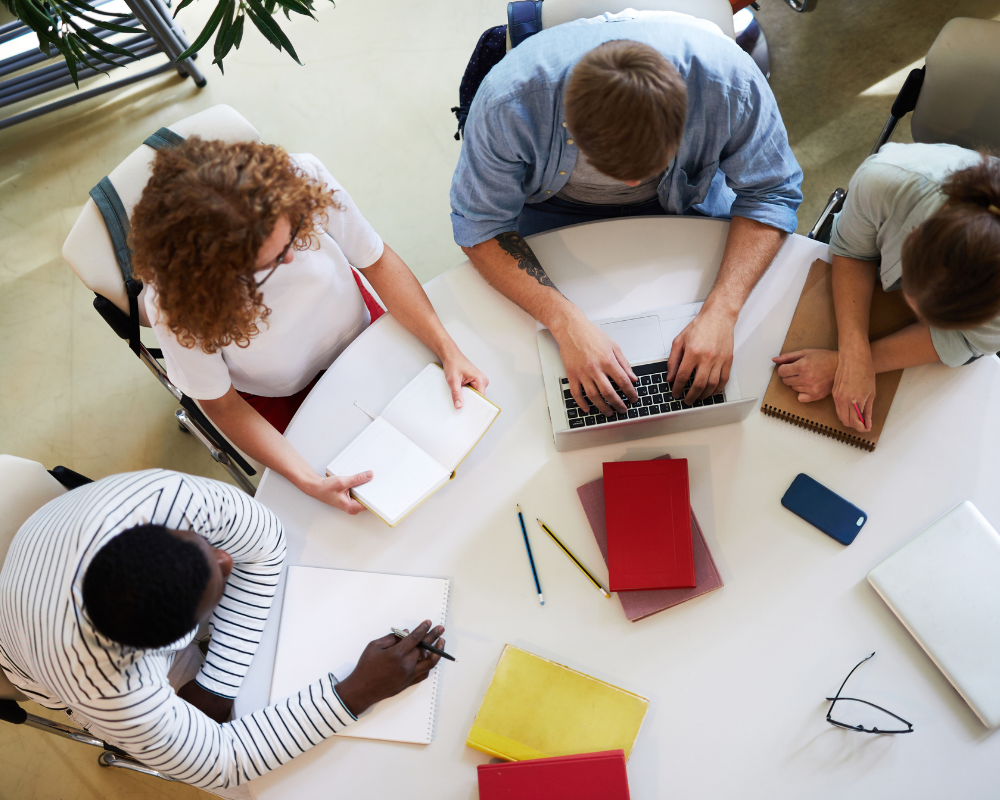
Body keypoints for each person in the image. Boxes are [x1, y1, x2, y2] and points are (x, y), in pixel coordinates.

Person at [0, 469, 446, 789]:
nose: (225, 559)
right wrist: (355, 693)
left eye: (199, 545)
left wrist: (214, 687)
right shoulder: (111, 689)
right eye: (215, 589)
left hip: (43, 558)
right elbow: (224, 765)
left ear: (155, 532)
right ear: (168, 644)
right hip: (36, 658)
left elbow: (265, 545)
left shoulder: (161, 498)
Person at [450, 11, 802, 414]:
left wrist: (723, 312)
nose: (633, 185)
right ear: (569, 122)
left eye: (648, 167)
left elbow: (771, 191)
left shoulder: (730, 87)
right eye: (609, 168)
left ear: (685, 119)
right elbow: (480, 225)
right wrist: (566, 325)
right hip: (553, 206)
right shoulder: (506, 106)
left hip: (685, 200)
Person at [130, 139, 488, 515]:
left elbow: (376, 261)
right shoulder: (176, 303)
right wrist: (309, 481)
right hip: (276, 393)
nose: (290, 256)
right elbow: (222, 405)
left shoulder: (301, 177)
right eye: (265, 264)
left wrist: (448, 349)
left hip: (357, 327)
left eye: (292, 233)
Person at [772, 143, 1000, 432]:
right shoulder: (884, 180)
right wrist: (854, 357)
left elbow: (967, 341)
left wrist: (848, 364)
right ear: (913, 234)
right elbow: (852, 251)